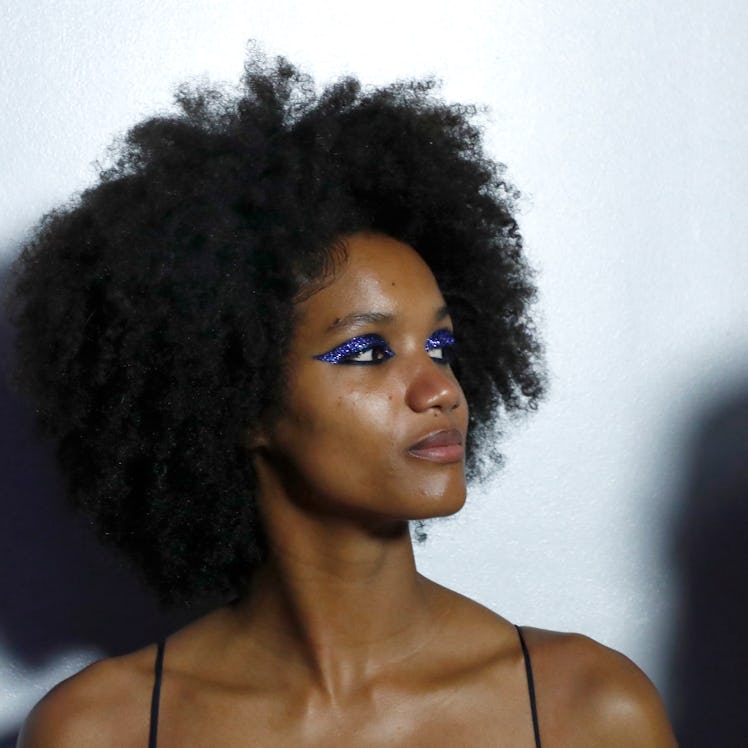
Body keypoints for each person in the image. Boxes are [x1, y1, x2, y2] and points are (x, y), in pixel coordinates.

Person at [8, 50, 676, 746]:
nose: (441, 390)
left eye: (441, 348)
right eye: (368, 352)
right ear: (238, 400)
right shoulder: (97, 731)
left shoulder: (591, 710)